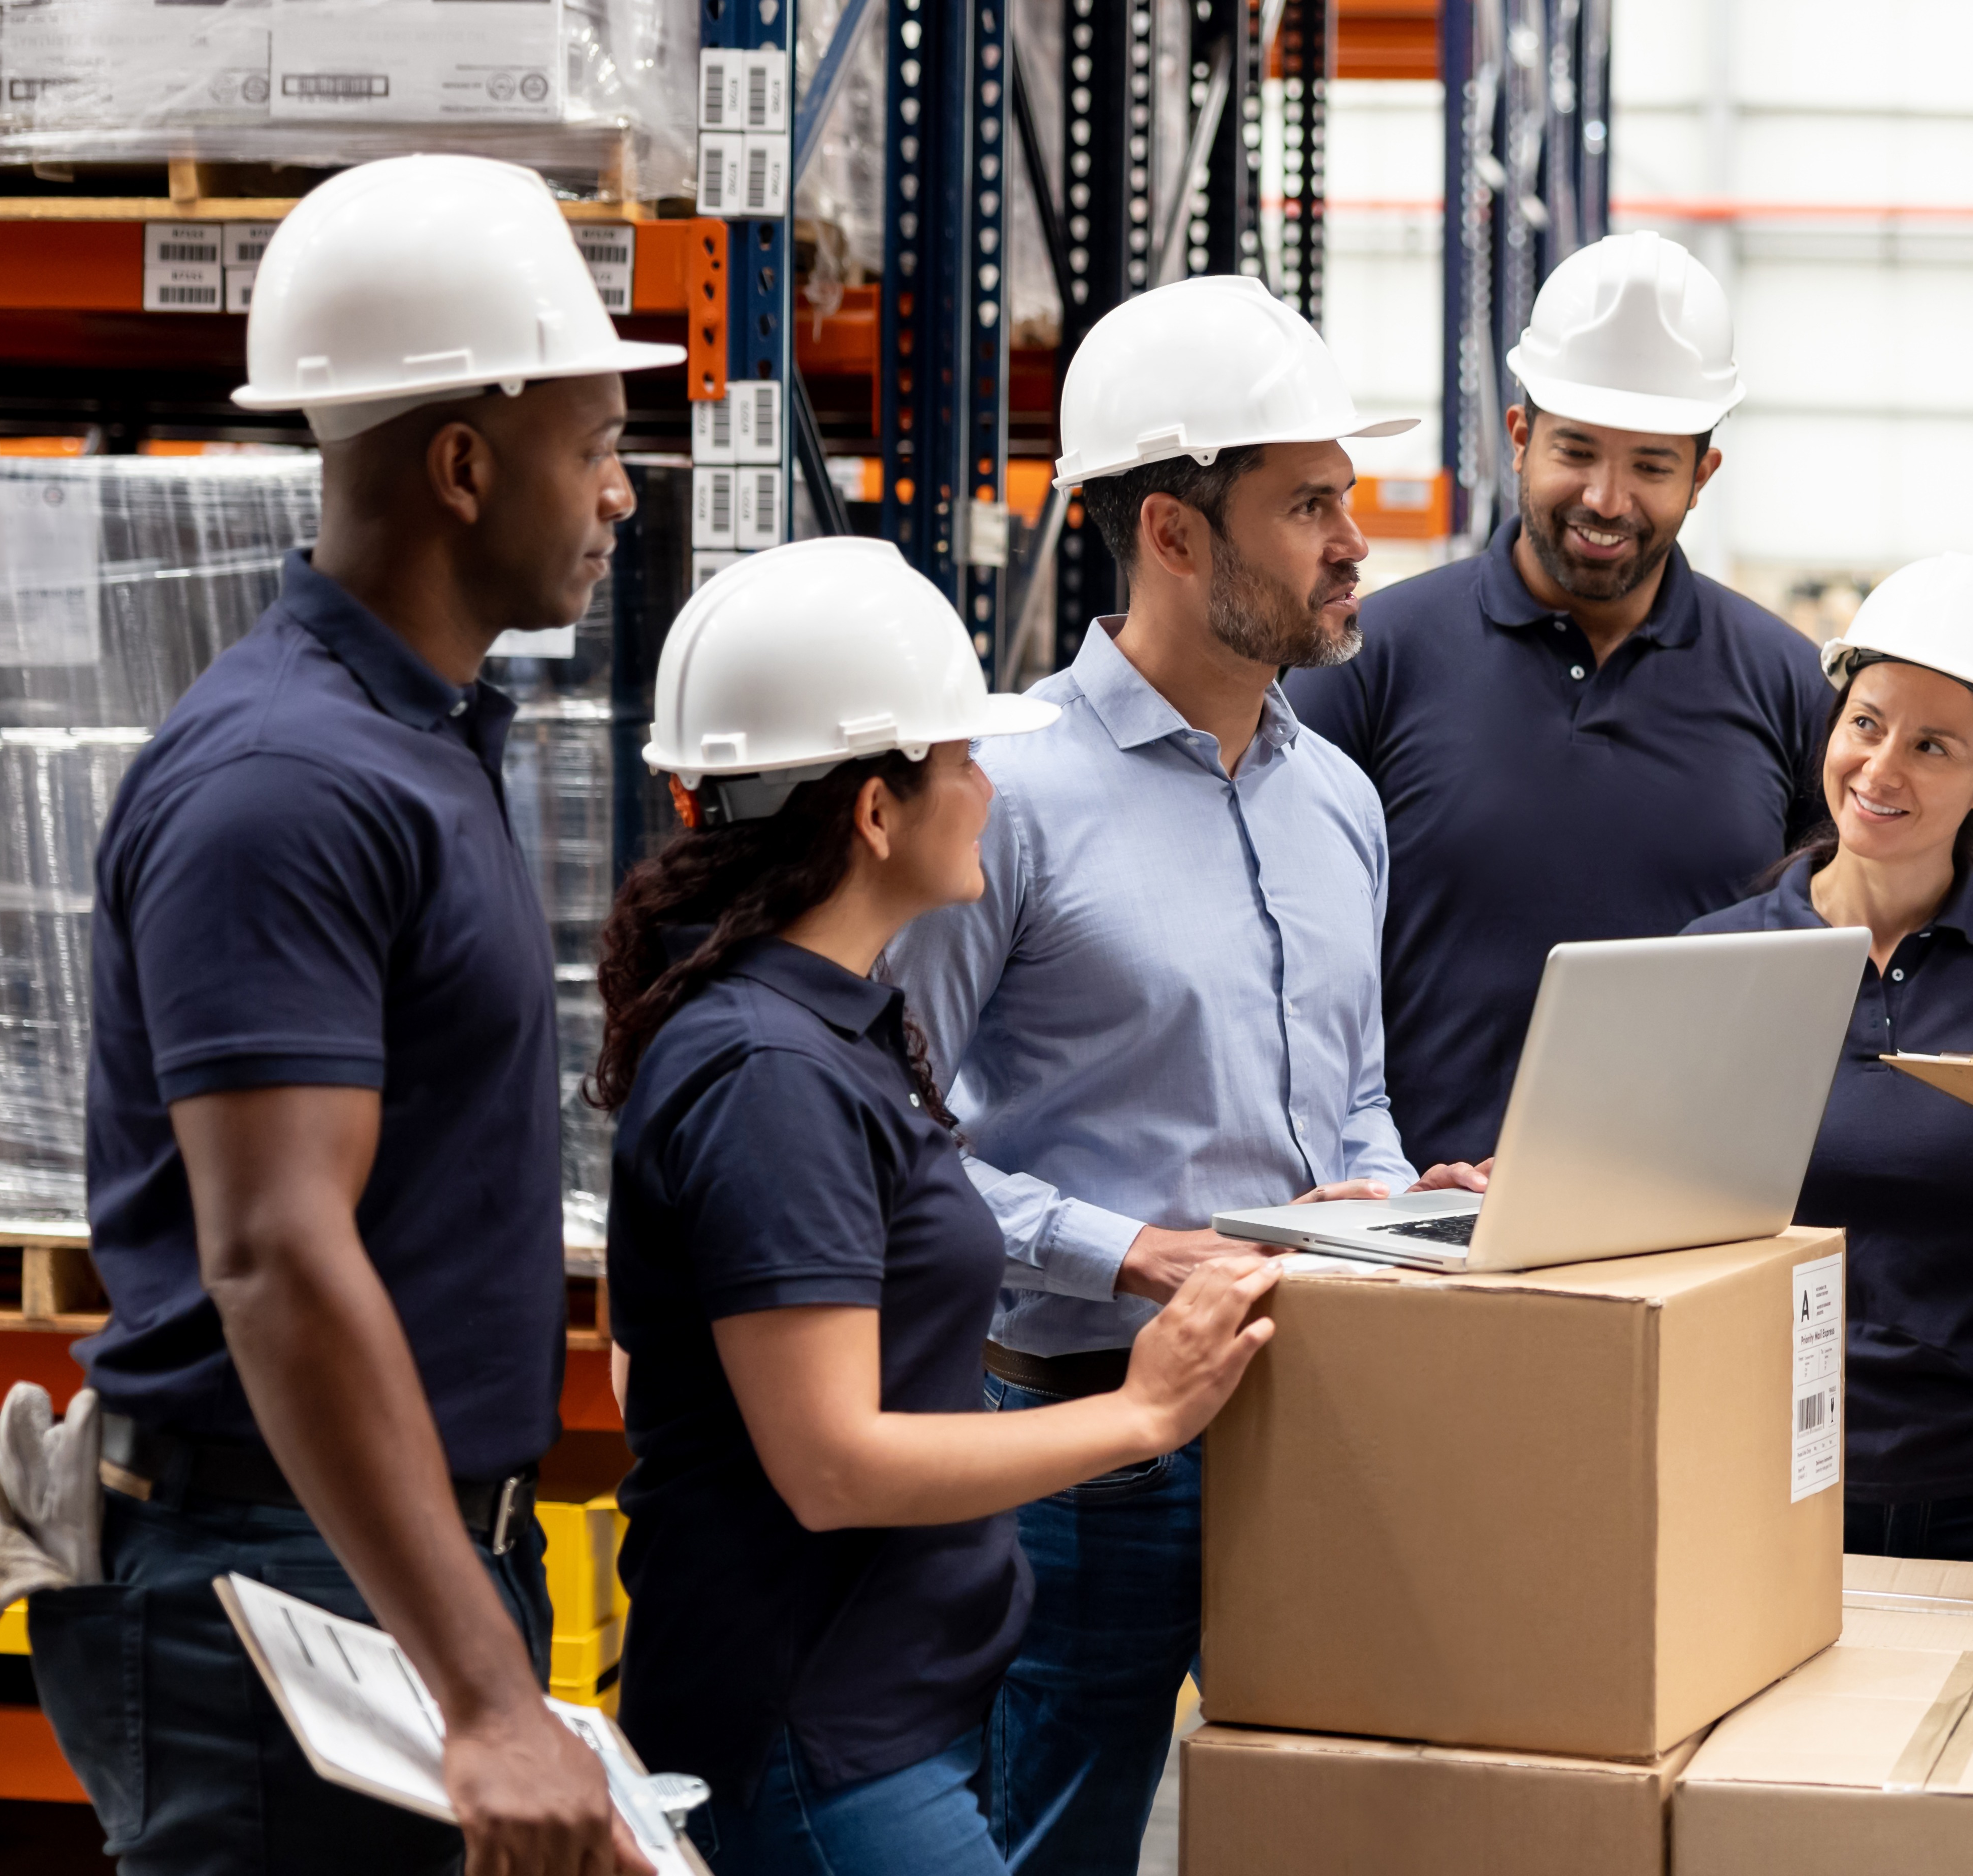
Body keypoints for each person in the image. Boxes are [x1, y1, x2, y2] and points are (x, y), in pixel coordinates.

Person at [51, 155, 677, 1876]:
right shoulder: (288, 783)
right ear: (463, 467)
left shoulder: (413, 742)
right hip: (295, 1588)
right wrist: (482, 1693)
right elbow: (273, 1250)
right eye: (593, 445)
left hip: (389, 1559)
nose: (619, 494)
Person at [880, 273, 1472, 1876]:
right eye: (1308, 507)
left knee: (1332, 1835)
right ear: (1172, 534)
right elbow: (894, 1149)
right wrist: (1130, 1251)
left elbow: (1354, 1096)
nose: (1353, 542)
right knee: (1049, 1843)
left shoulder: (1338, 800)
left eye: (1345, 500)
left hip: (1315, 1421)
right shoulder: (1004, 796)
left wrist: (1395, 1197)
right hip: (1083, 1442)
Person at [595, 538, 1284, 1875]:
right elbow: (831, 1465)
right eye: (965, 761)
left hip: (875, 1710)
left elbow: (652, 1369)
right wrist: (1144, 1411)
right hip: (816, 1736)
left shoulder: (819, 1030)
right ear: (874, 811)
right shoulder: (769, 1073)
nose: (988, 789)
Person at [1288, 229, 1833, 1164]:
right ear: (1519, 438)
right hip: (1414, 1208)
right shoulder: (1372, 660)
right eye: (1576, 451)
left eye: (1652, 466)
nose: (1607, 500)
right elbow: (1282, 961)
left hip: (1697, 1208)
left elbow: (1838, 970)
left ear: (1702, 476)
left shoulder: (1789, 686)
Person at [1681, 554, 1973, 1584]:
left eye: (1932, 745)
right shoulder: (1717, 961)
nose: (1881, 767)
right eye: (1865, 723)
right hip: (1768, 1487)